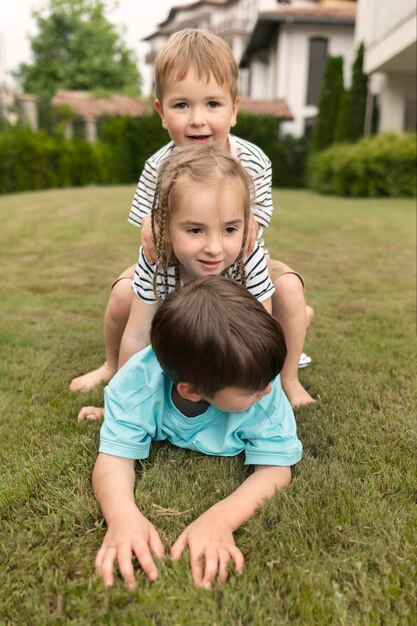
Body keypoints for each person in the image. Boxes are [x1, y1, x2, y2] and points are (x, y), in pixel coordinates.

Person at [70, 27, 315, 407]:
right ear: (161, 113)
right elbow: (148, 220)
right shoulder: (158, 165)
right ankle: (112, 364)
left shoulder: (252, 160)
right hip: (176, 254)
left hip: (240, 255)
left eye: (212, 105)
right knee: (123, 294)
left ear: (234, 109)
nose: (198, 120)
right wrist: (152, 224)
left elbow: (255, 221)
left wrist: (245, 229)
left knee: (288, 291)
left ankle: (289, 379)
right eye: (182, 105)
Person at [84, 275, 302, 589]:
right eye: (252, 390)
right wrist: (121, 517)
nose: (267, 391)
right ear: (192, 391)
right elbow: (115, 459)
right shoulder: (136, 387)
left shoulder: (264, 392)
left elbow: (275, 469)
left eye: (268, 380)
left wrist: (220, 519)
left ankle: (303, 313)